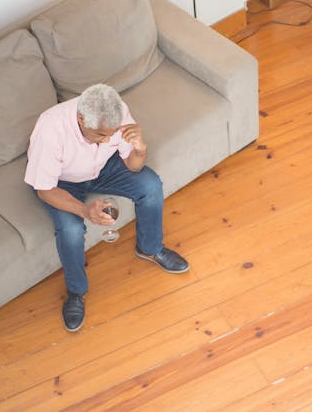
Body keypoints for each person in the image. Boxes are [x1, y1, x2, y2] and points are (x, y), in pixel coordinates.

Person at [24, 83, 189, 332]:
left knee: (150, 185)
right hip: (62, 181)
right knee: (70, 230)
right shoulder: (51, 129)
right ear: (81, 119)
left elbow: (133, 166)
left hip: (103, 168)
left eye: (112, 134)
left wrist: (140, 149)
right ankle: (76, 292)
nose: (110, 139)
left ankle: (150, 249)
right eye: (102, 135)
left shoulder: (117, 113)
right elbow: (44, 189)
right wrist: (83, 210)